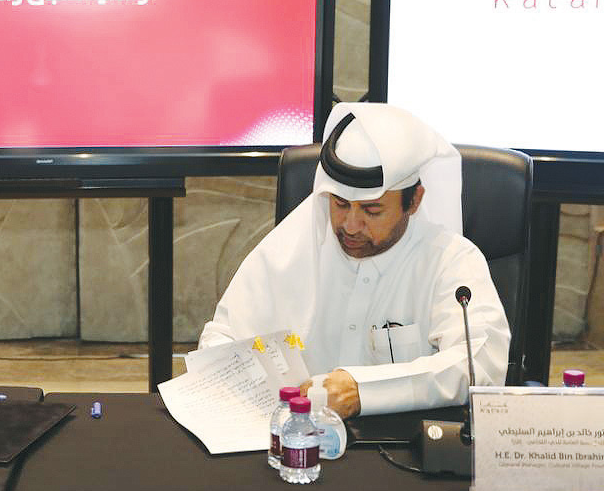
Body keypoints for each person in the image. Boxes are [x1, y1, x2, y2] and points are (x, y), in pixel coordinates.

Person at [199, 103, 511, 418]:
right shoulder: (290, 248)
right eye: (340, 204)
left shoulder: (452, 261)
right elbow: (220, 338)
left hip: (400, 447)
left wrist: (364, 390)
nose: (350, 225)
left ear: (414, 201)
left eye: (372, 211)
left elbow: (479, 364)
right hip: (298, 437)